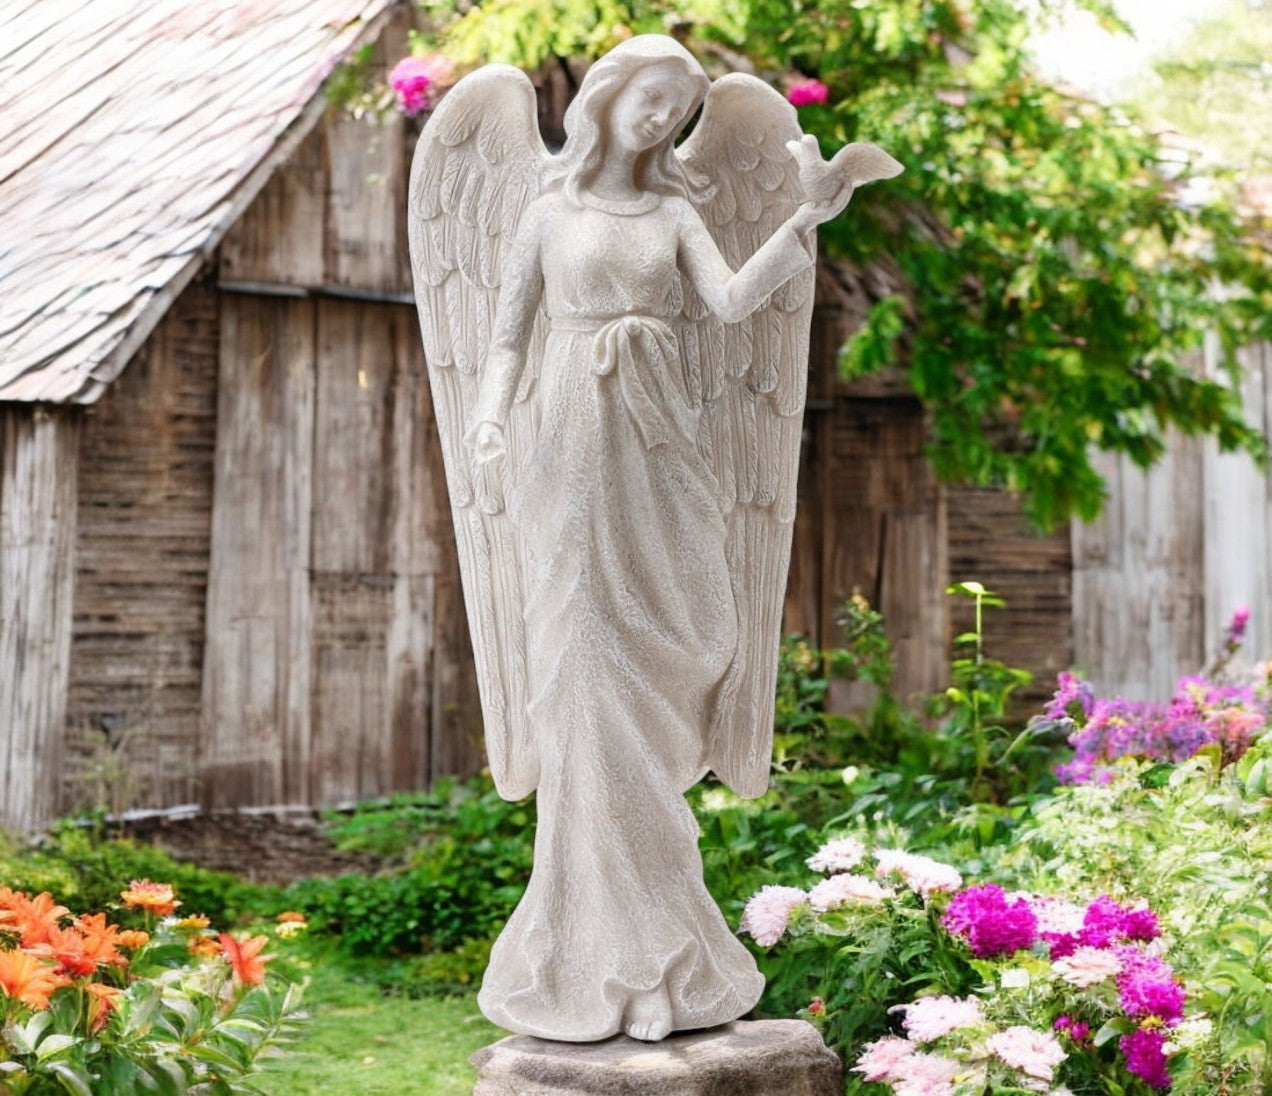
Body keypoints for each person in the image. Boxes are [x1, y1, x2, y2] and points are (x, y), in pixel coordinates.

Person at [456, 35, 853, 1044]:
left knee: (676, 645)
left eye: (679, 107)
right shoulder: (549, 214)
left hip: (662, 444)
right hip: (567, 449)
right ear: (610, 94)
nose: (662, 118)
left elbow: (725, 303)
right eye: (651, 96)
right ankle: (600, 954)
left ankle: (663, 944)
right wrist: (490, 418)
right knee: (584, 668)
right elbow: (505, 339)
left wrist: (805, 216)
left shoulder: (676, 212)